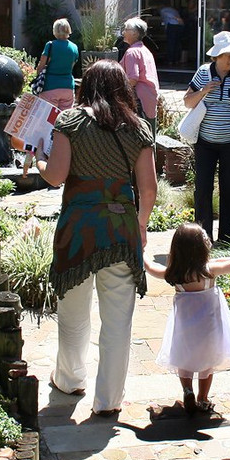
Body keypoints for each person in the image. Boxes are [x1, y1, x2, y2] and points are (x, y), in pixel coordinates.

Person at [35, 61, 157, 416]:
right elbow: (148, 190)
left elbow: (56, 176)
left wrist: (39, 161)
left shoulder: (69, 122)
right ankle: (109, 400)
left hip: (79, 226)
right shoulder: (138, 128)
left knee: (73, 312)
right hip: (120, 229)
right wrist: (142, 225)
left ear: (85, 86)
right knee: (118, 320)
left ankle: (69, 380)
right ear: (122, 88)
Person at [144, 223, 230, 414]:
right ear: (201, 248)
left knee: (184, 360)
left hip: (185, 330)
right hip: (210, 330)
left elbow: (151, 267)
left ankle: (188, 390)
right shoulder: (210, 270)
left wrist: (142, 251)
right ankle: (203, 398)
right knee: (208, 364)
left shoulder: (173, 274)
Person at [184, 31, 230, 245]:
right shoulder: (203, 73)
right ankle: (202, 237)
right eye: (228, 55)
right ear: (217, 56)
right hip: (205, 143)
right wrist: (204, 91)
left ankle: (226, 239)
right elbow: (187, 101)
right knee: (203, 188)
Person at [119, 17, 160, 135]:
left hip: (138, 101)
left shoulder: (132, 52)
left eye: (126, 29)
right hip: (150, 99)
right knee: (150, 138)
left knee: (139, 138)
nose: (123, 32)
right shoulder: (145, 50)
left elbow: (132, 79)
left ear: (134, 33)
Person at [36, 18, 78, 110]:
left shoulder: (50, 45)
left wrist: (37, 77)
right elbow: (71, 67)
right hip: (68, 87)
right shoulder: (74, 47)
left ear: (55, 31)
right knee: (64, 119)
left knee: (47, 119)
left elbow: (41, 66)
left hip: (49, 86)